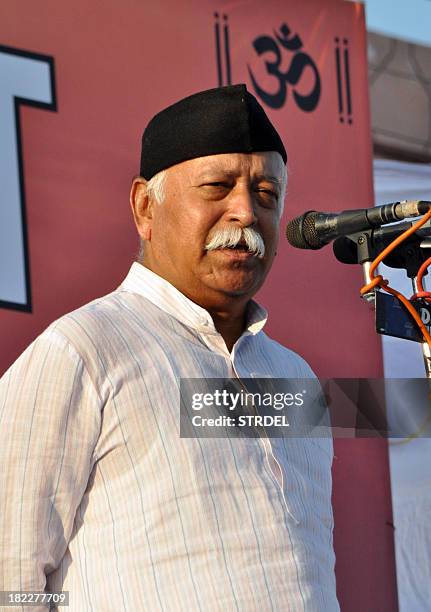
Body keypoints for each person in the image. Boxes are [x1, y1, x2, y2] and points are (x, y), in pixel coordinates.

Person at [0, 84, 339, 611]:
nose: (246, 213)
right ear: (144, 207)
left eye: (266, 194)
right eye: (217, 186)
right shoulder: (82, 351)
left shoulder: (295, 378)